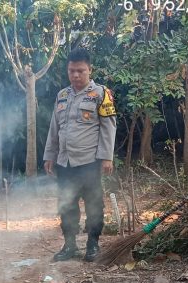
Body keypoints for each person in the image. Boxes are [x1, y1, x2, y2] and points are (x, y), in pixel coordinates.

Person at [43, 48, 117, 262]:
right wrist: (50, 155)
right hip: (64, 162)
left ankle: (93, 245)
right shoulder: (62, 95)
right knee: (66, 203)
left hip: (89, 162)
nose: (75, 75)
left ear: (89, 70)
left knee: (94, 203)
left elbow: (108, 127)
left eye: (80, 71)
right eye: (71, 71)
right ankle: (69, 245)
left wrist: (107, 157)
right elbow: (54, 128)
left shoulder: (101, 94)